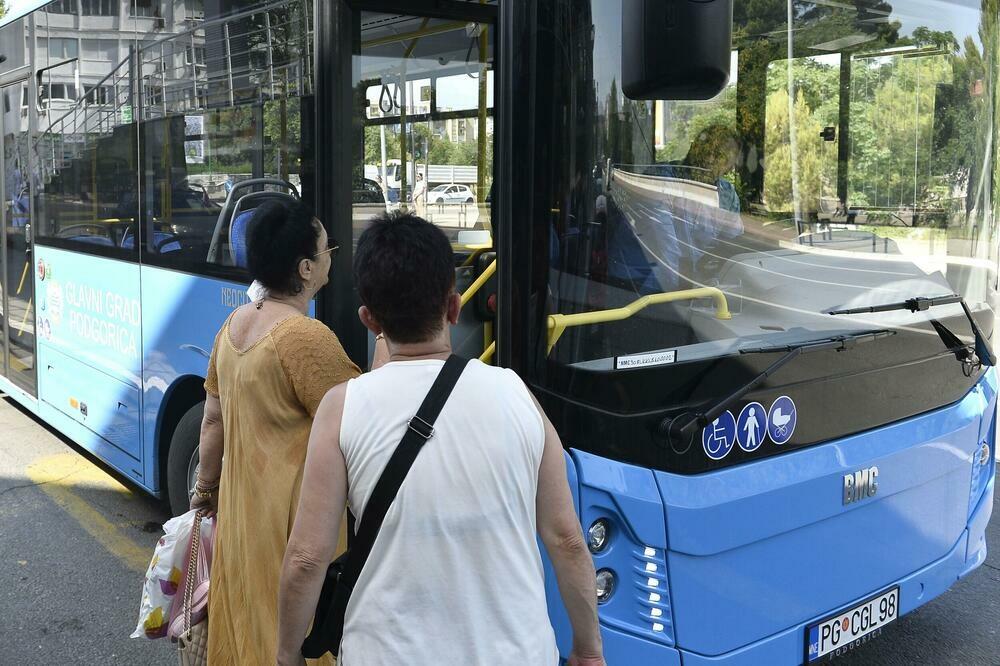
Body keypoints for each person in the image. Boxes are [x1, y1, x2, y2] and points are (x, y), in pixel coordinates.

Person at [276, 212, 605, 666]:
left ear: (370, 321)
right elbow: (567, 540)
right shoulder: (515, 392)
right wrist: (587, 650)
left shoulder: (341, 408)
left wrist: (287, 655)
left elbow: (307, 559)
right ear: (454, 307)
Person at [191, 197, 360, 666]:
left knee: (246, 622)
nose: (331, 255)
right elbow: (364, 421)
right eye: (327, 248)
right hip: (293, 523)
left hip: (242, 514)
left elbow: (212, 421)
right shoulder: (304, 338)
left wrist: (205, 488)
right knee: (291, 631)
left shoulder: (233, 325)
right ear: (306, 268)